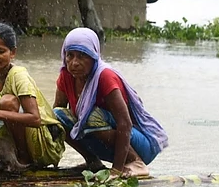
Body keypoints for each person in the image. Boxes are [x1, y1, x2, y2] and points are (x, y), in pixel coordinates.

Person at [52, 27, 167, 178]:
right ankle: (92, 161)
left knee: (91, 115)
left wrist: (116, 170)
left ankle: (136, 163)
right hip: (105, 143)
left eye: (82, 56)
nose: (74, 63)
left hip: (136, 143)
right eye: (70, 55)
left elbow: (125, 123)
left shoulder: (105, 76)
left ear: (94, 56)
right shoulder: (66, 76)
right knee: (57, 116)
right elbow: (57, 113)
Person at [0, 23, 66, 172]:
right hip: (5, 140)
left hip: (41, 143)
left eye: (0, 51)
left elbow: (35, 119)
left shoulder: (18, 75)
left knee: (7, 102)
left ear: (12, 53)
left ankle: (23, 159)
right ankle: (0, 156)